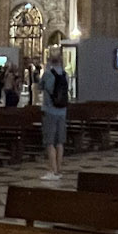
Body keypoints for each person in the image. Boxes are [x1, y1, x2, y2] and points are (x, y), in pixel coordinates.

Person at [41, 45, 69, 176]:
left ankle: (53, 170)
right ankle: (59, 168)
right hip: (62, 111)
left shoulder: (48, 74)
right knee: (60, 142)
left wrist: (46, 70)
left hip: (50, 110)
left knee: (50, 142)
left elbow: (40, 86)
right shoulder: (65, 74)